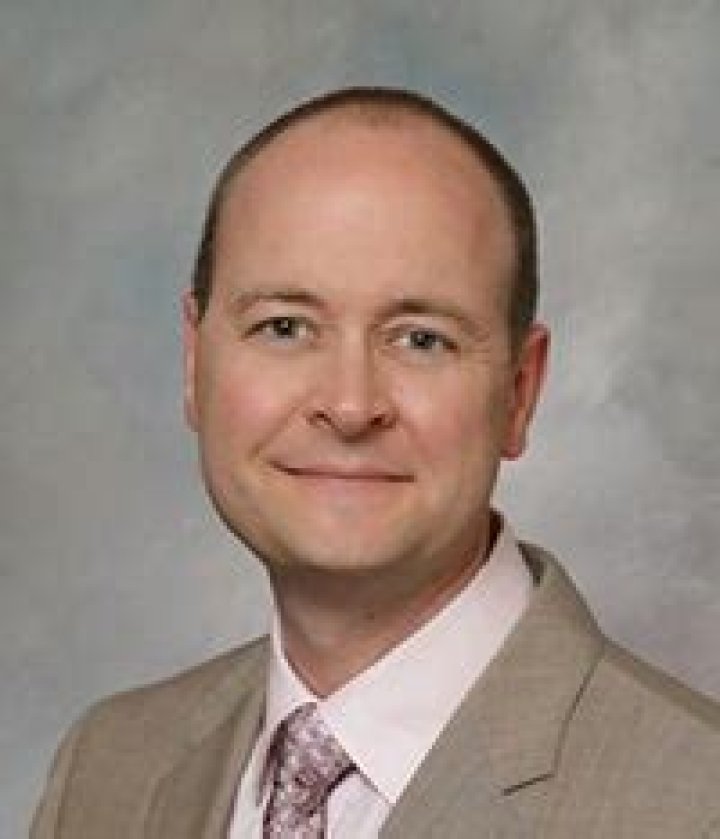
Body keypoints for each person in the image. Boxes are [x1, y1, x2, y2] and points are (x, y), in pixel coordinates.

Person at [32, 87, 720, 839]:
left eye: (421, 339)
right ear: (196, 363)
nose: (350, 405)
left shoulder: (695, 801)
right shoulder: (108, 768)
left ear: (520, 391)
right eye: (285, 327)